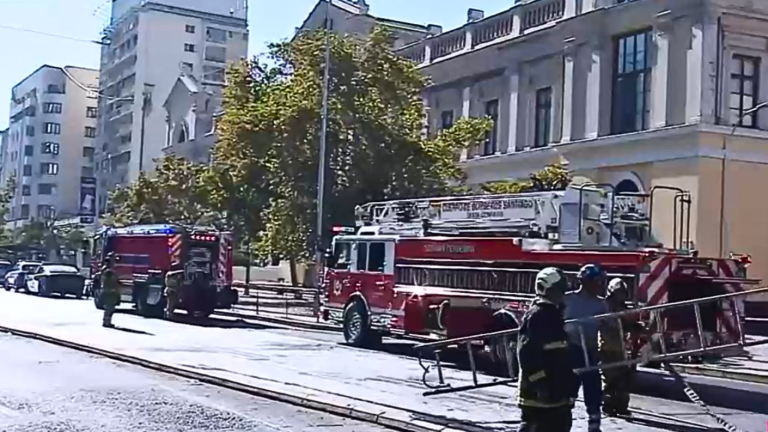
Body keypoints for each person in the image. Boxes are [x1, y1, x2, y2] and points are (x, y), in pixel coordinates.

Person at [517, 267, 578, 432]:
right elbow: (527, 354)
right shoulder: (537, 316)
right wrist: (540, 384)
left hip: (556, 392)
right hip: (539, 397)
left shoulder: (553, 314)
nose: (562, 294)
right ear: (547, 289)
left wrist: (569, 383)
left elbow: (560, 351)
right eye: (559, 289)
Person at [563, 264, 609, 432]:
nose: (600, 286)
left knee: (593, 388)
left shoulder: (601, 304)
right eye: (598, 282)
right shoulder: (567, 299)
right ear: (586, 282)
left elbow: (609, 326)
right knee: (568, 389)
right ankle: (562, 422)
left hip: (589, 352)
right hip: (570, 351)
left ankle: (594, 425)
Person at [600, 278, 643, 417]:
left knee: (624, 379)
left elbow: (628, 324)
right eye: (619, 293)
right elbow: (608, 323)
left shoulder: (623, 308)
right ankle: (608, 407)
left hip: (622, 349)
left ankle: (622, 407)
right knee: (609, 379)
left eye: (623, 293)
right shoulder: (604, 307)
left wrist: (636, 326)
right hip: (607, 348)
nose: (621, 296)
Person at [99, 253, 121, 328]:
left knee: (110, 307)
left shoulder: (106, 270)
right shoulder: (108, 271)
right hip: (109, 291)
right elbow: (110, 281)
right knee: (109, 307)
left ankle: (107, 321)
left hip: (108, 291)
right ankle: (106, 322)